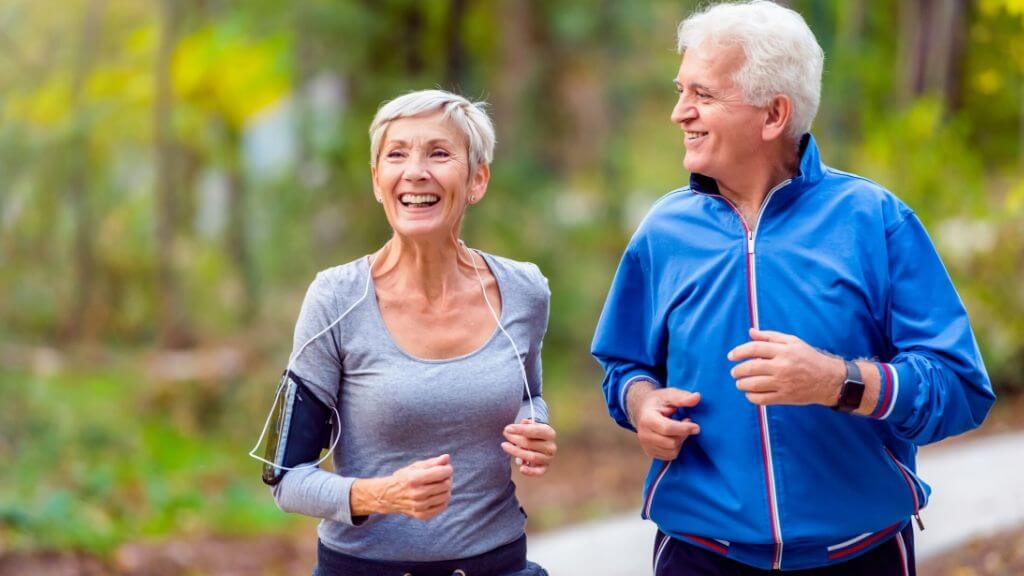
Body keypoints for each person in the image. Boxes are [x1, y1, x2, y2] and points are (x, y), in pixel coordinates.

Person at [591, 2, 995, 575]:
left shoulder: (875, 220)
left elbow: (959, 388)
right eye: (681, 90)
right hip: (698, 556)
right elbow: (623, 368)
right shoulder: (663, 232)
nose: (679, 112)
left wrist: (839, 381)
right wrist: (641, 404)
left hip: (860, 554)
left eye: (703, 94)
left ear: (774, 114)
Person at [255, 89, 555, 576]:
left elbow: (529, 394)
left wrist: (533, 427)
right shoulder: (334, 299)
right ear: (378, 181)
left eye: (439, 153)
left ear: (477, 179)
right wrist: (382, 494)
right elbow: (284, 476)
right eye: (397, 154)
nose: (415, 171)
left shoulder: (524, 290)